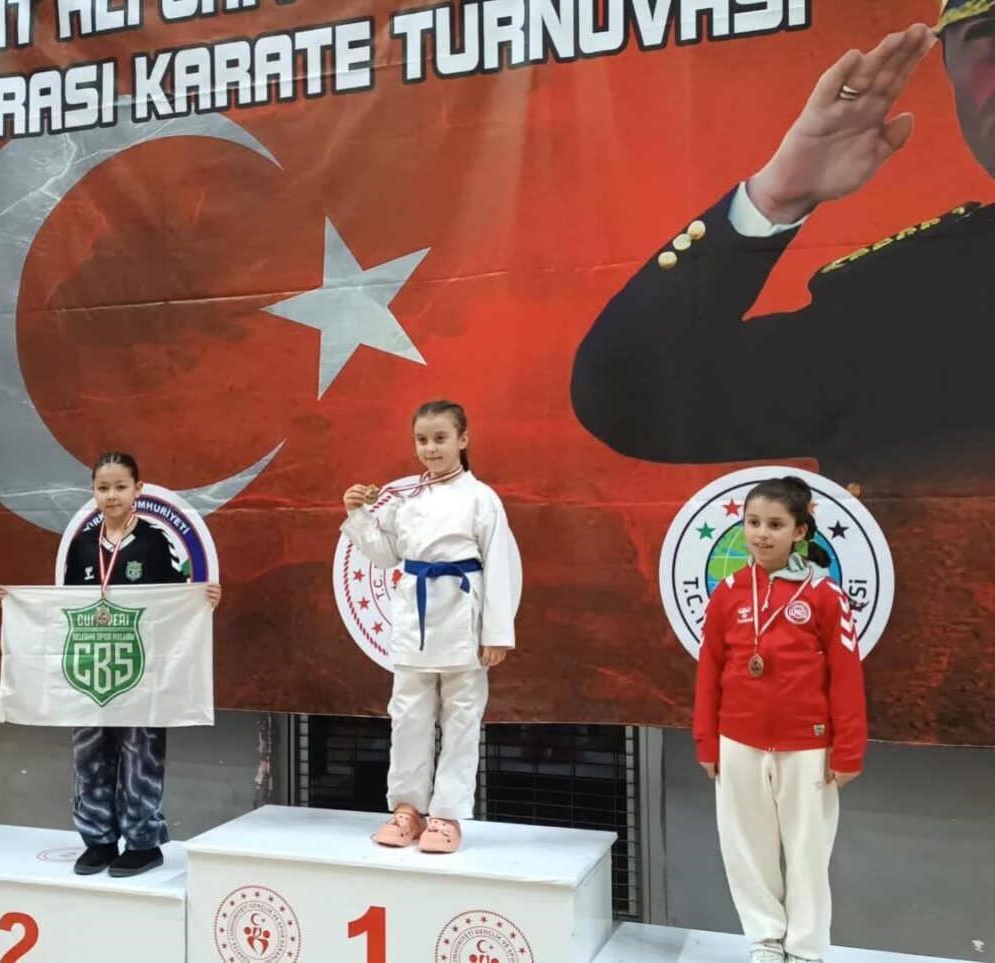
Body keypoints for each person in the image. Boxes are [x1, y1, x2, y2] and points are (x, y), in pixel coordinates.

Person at [571, 9, 995, 483]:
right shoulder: (904, 303)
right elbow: (628, 394)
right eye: (988, 33)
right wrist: (775, 197)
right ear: (950, 68)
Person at [0, 451, 222, 877]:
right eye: (103, 488)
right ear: (92, 492)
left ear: (138, 489)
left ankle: (142, 842)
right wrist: (16, 603)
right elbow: (64, 608)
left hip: (141, 670)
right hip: (90, 668)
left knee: (141, 756)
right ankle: (98, 839)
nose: (112, 495)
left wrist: (202, 600)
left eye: (120, 487)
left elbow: (176, 603)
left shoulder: (155, 541)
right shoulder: (82, 544)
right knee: (90, 757)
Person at [693, 477, 866, 963]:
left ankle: (806, 949)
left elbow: (847, 677)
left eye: (775, 525)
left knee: (808, 851)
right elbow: (708, 671)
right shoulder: (727, 593)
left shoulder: (825, 595)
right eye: (753, 523)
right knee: (746, 848)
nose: (761, 534)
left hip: (808, 744)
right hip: (737, 740)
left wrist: (848, 751)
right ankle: (765, 939)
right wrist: (707, 741)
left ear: (800, 531)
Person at [340, 399, 519, 854]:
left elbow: (500, 564)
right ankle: (408, 809)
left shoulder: (481, 498)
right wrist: (358, 513)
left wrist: (496, 633)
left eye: (440, 438)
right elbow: (385, 554)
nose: (431, 448)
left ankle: (447, 815)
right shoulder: (408, 500)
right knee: (408, 716)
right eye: (422, 440)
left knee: (462, 718)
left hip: (462, 615)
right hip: (413, 618)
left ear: (463, 439)